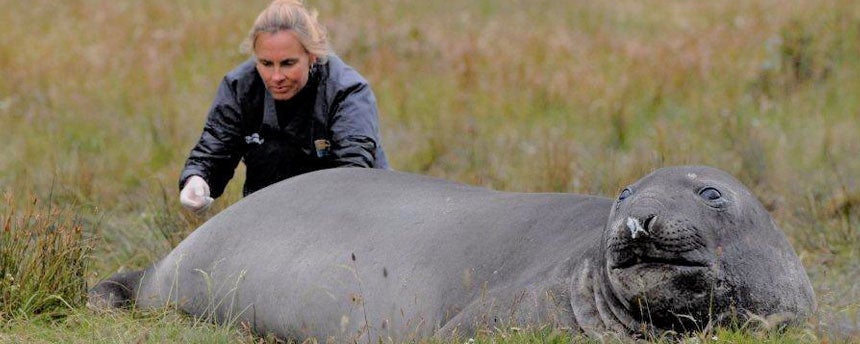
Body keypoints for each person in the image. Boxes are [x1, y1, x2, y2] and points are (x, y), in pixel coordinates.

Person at [178, 0, 389, 213]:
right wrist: (197, 180)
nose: (276, 77)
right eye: (266, 64)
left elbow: (354, 170)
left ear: (312, 56)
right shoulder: (239, 88)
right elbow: (213, 152)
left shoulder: (346, 91)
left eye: (288, 63)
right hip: (271, 215)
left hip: (349, 210)